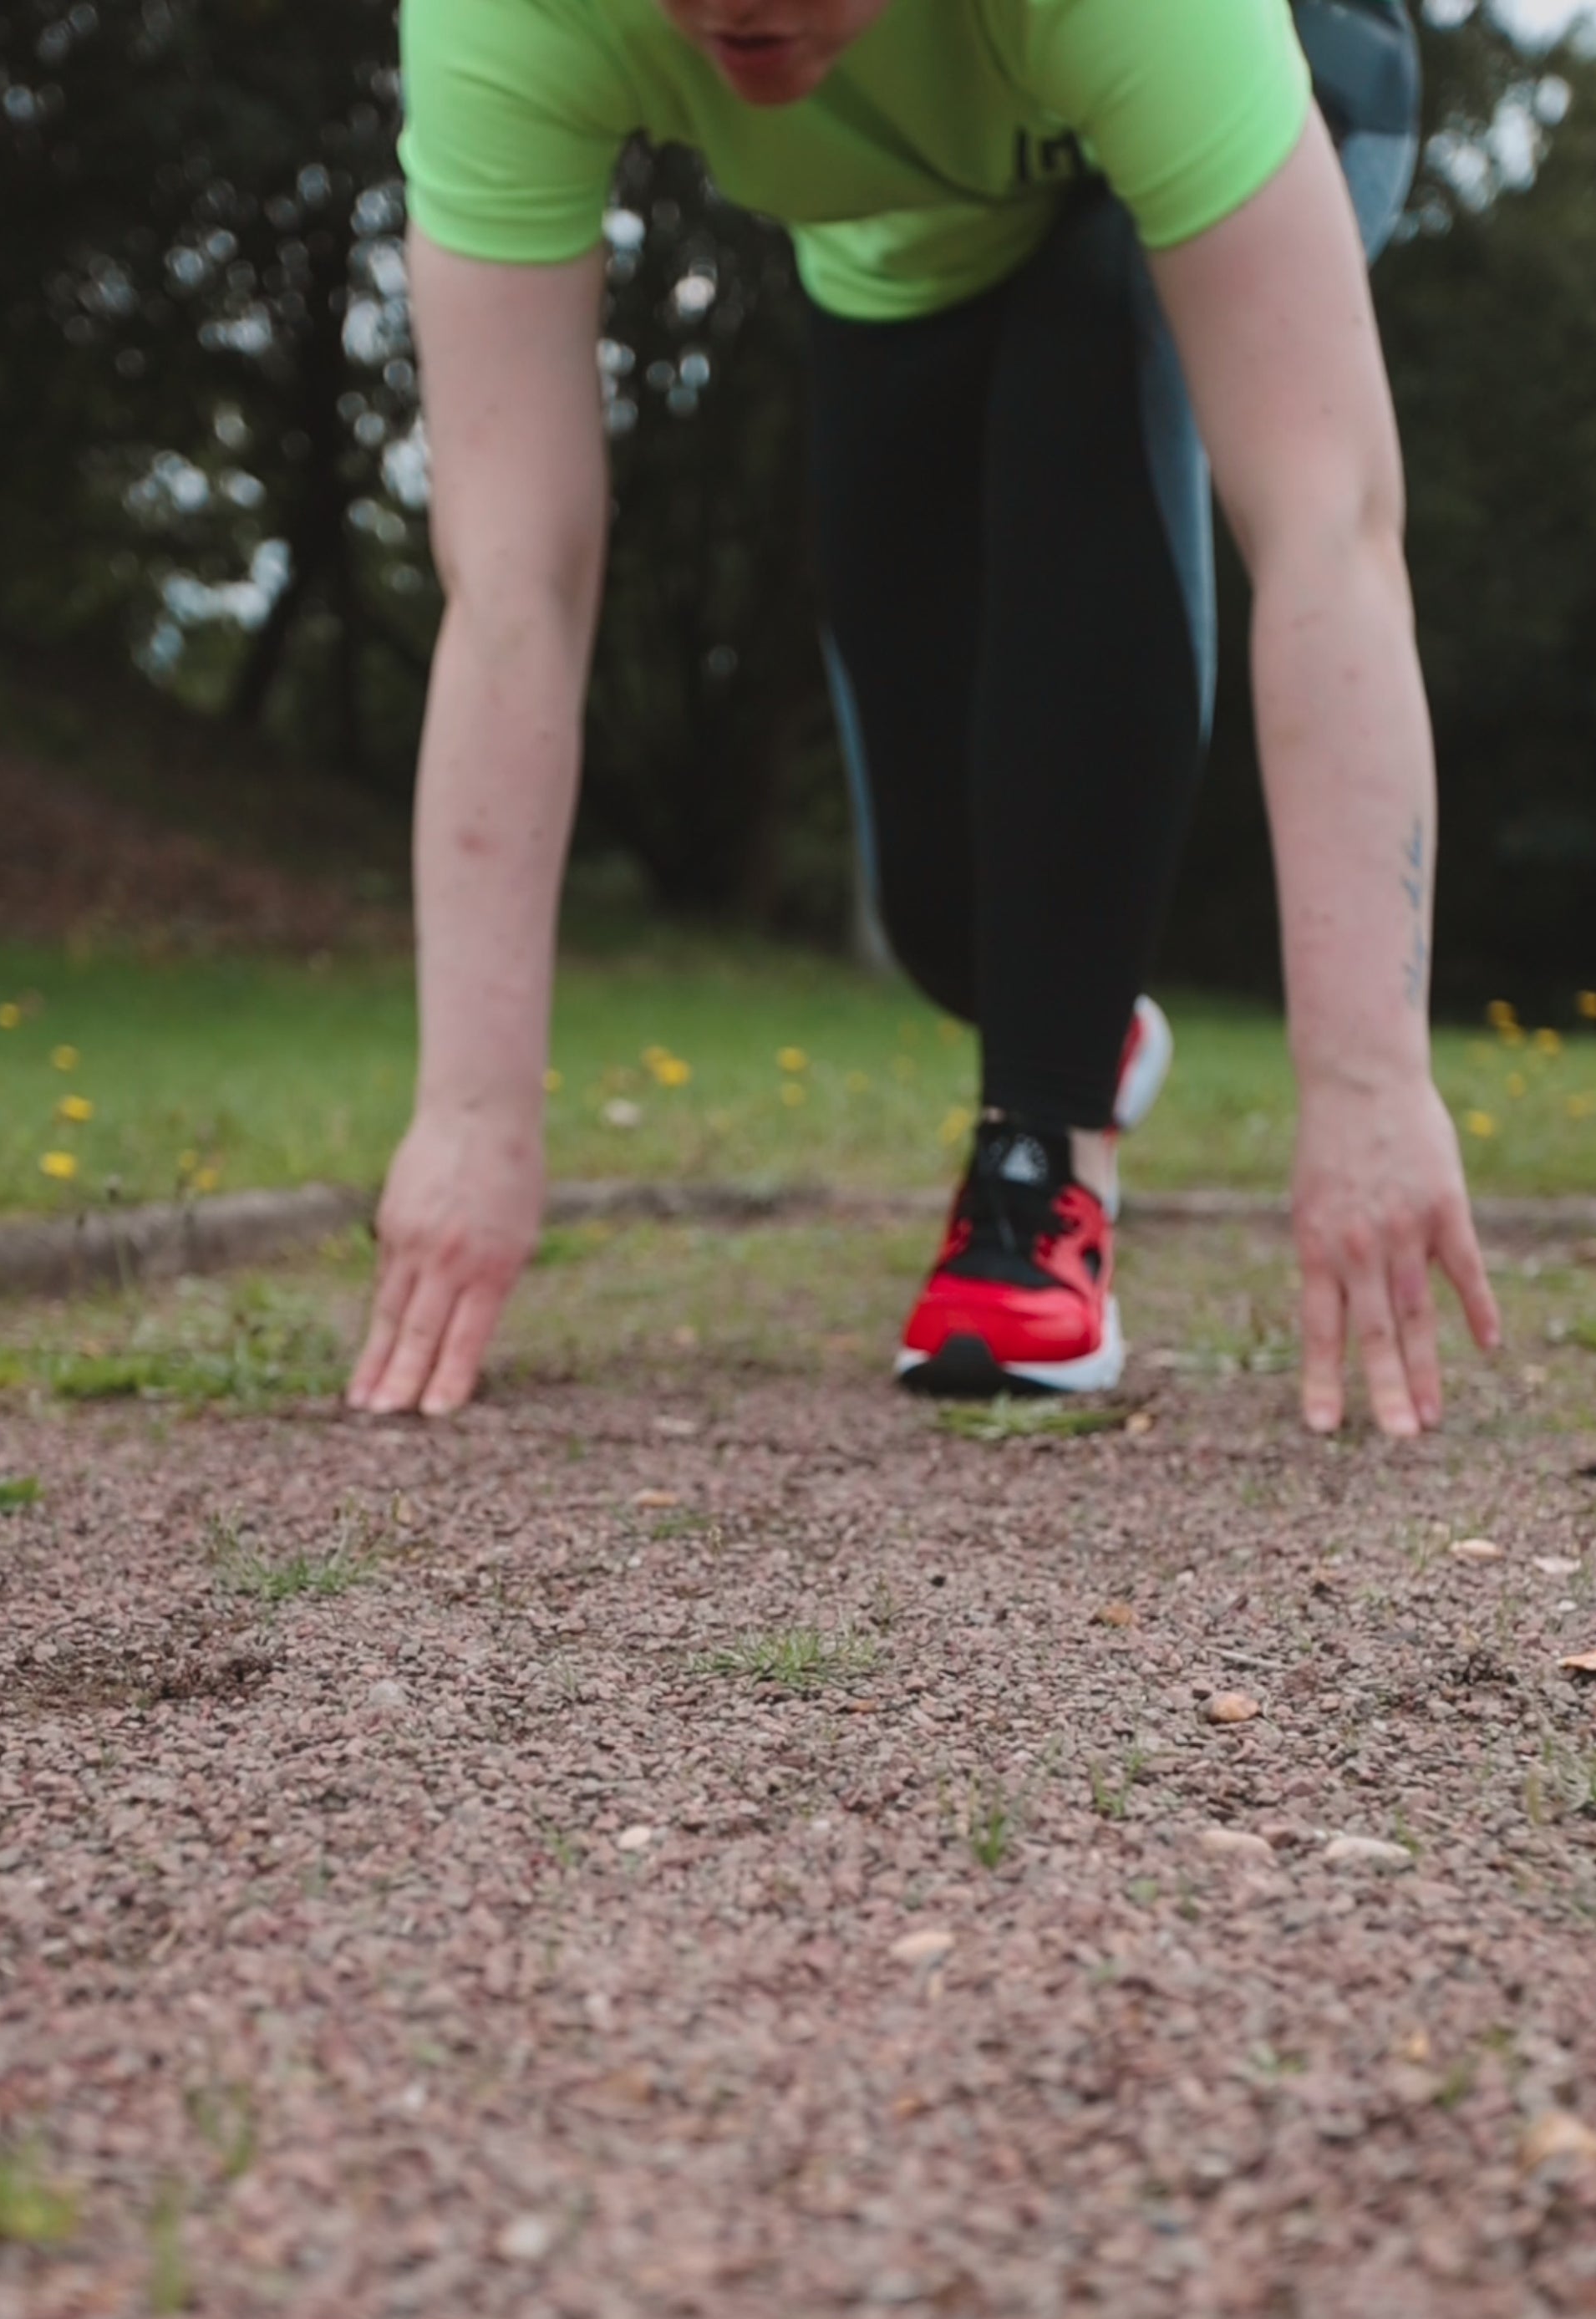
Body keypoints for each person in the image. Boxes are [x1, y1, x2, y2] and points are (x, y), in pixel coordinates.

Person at [349, 0, 1501, 1437]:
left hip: (1289, 76)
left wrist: (1370, 1082)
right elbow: (514, 579)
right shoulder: (508, 16)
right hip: (904, 239)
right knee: (950, 920)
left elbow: (1329, 523)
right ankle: (1081, 1030)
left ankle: (1039, 1163)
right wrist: (470, 1116)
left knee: (1100, 321)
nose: (736, 10)